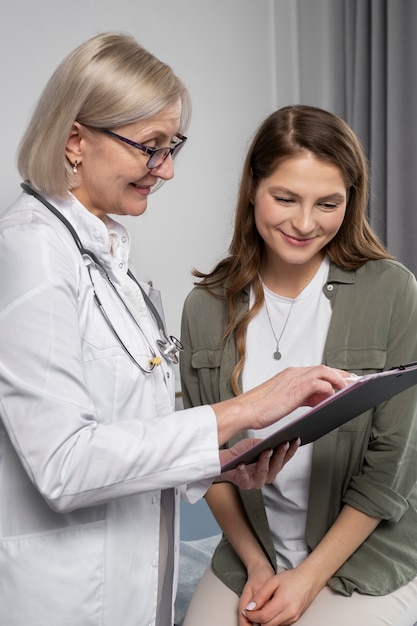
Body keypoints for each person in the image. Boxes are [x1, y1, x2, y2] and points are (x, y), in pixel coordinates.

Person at [0, 36, 352, 626]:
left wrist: (218, 462)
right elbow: (63, 463)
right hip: (67, 597)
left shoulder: (112, 264)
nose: (165, 169)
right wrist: (242, 411)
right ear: (75, 139)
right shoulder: (29, 252)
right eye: (149, 148)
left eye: (172, 147)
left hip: (133, 586)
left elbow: (130, 435)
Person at [180, 105, 417, 626]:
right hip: (251, 553)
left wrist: (307, 581)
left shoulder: (391, 290)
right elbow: (207, 461)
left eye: (327, 204)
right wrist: (258, 566)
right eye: (285, 198)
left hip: (363, 555)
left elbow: (391, 467)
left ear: (350, 202)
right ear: (252, 189)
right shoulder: (205, 306)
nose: (305, 224)